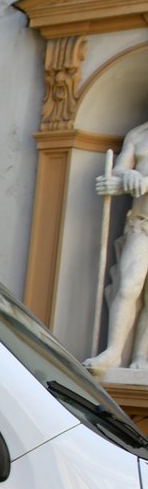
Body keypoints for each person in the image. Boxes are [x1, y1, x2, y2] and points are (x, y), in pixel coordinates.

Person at [85, 119, 148, 371]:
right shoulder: (138, 135)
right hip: (142, 225)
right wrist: (126, 176)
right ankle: (114, 352)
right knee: (128, 284)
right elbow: (120, 169)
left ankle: (141, 357)